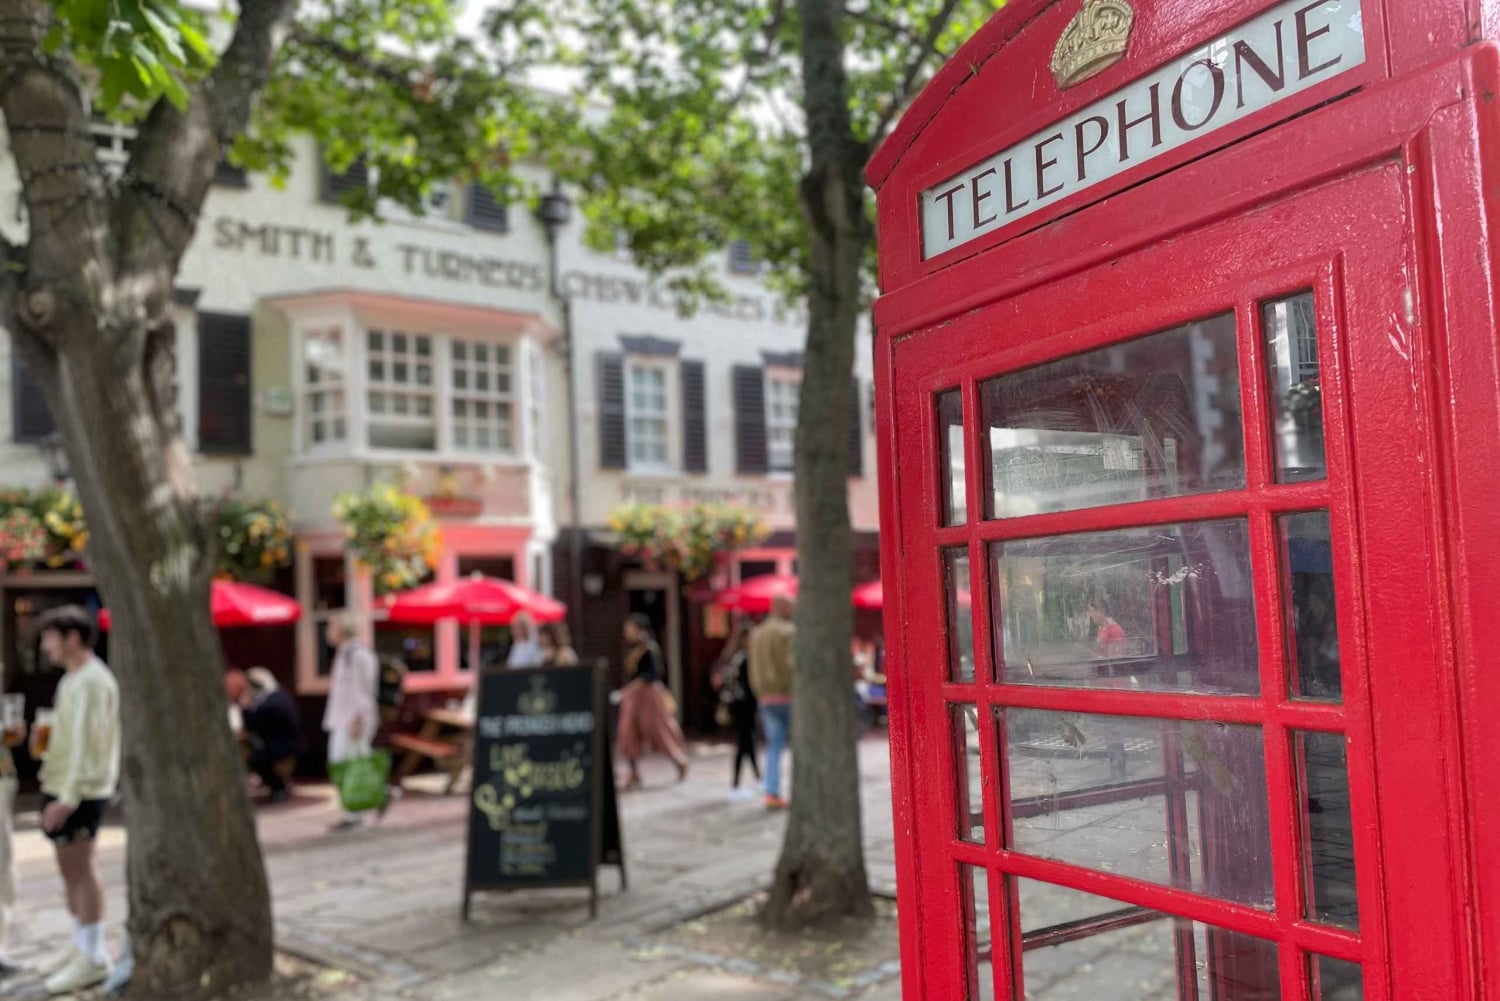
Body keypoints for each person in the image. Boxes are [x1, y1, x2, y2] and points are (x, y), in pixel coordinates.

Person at [35, 605, 120, 995]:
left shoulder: (91, 681)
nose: (45, 646)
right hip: (62, 785)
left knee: (83, 868)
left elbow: (90, 746)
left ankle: (94, 954)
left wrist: (66, 798)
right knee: (70, 870)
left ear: (73, 638)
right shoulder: (73, 680)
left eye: (51, 636)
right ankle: (81, 946)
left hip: (82, 791)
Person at [616, 615, 689, 790]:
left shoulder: (649, 649)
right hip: (634, 696)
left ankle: (678, 760)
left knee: (659, 730)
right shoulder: (633, 649)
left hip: (649, 695)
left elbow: (650, 675)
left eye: (630, 627)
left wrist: (627, 690)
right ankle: (633, 772)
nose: (627, 632)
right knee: (628, 732)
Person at [323, 611, 380, 831]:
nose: (328, 632)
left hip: (352, 720)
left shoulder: (357, 655)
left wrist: (358, 719)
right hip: (341, 718)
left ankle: (355, 811)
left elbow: (363, 691)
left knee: (348, 763)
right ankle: (354, 808)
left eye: (332, 627)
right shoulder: (343, 654)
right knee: (345, 763)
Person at [748, 596, 795, 810]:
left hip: (765, 697)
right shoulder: (788, 632)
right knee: (798, 746)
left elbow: (752, 668)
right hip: (788, 695)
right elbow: (792, 665)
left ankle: (771, 792)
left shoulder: (756, 634)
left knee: (773, 746)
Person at [241, 668, 304, 804]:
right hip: (282, 743)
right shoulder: (278, 696)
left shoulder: (271, 703)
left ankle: (278, 787)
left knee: (254, 758)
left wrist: (245, 707)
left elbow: (251, 725)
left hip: (283, 748)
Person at [715, 627, 759, 799]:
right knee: (744, 743)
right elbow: (748, 685)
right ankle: (736, 784)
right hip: (745, 706)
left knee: (747, 743)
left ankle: (757, 777)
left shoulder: (733, 658)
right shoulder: (744, 659)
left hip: (737, 706)